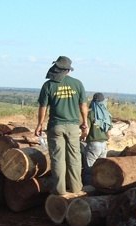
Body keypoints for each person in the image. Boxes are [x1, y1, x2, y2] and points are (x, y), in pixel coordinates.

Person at [35, 56, 88, 195]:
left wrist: (39, 124)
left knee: (58, 159)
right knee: (74, 158)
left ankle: (60, 190)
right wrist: (85, 123)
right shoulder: (77, 84)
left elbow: (43, 107)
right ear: (68, 70)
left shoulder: (48, 85)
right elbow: (83, 106)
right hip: (73, 126)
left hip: (55, 126)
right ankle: (76, 188)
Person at [81, 92, 112, 185]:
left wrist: (81, 137)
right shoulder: (107, 115)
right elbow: (109, 134)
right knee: (101, 170)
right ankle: (100, 187)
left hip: (93, 144)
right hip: (104, 144)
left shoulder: (90, 114)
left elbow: (86, 131)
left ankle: (88, 190)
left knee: (89, 170)